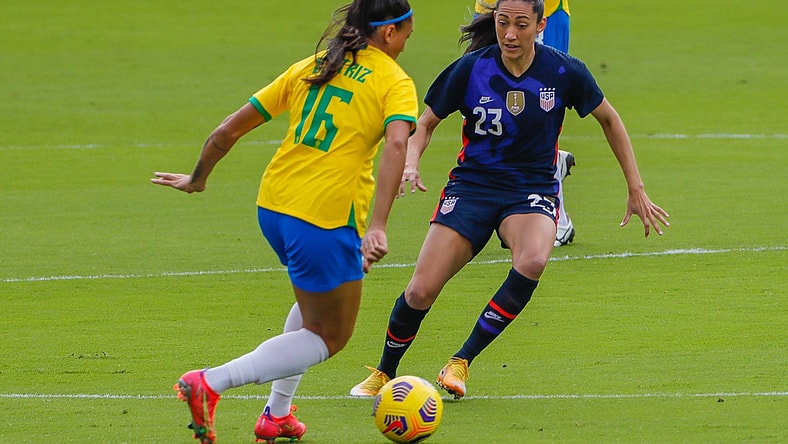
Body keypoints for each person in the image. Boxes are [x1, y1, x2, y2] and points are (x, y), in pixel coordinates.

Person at [350, 0, 669, 400]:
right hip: (472, 187)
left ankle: (460, 362)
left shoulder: (563, 70)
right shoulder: (471, 69)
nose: (510, 34)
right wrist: (412, 163)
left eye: (521, 24)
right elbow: (425, 124)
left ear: (541, 24)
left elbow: (609, 118)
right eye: (503, 23)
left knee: (533, 259)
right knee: (419, 291)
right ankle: (384, 371)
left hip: (530, 189)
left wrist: (635, 187)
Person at [151, 1, 417, 442]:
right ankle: (209, 382)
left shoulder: (314, 65)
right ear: (388, 33)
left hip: (273, 208)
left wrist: (197, 179)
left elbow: (227, 130)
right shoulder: (394, 81)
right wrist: (378, 225)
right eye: (407, 35)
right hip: (322, 218)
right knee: (330, 336)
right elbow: (395, 147)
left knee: (315, 305)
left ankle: (276, 415)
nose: (407, 44)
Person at [476, 0, 576, 246]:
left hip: (544, 12)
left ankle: (557, 217)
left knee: (540, 111)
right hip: (491, 10)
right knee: (486, 108)